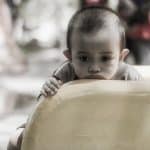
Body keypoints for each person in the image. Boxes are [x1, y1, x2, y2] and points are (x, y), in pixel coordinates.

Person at [7, 6, 141, 150]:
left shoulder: (127, 75)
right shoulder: (67, 72)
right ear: (69, 57)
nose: (94, 67)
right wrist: (48, 89)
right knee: (16, 139)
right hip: (69, 130)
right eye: (84, 58)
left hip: (114, 131)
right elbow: (44, 108)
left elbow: (142, 103)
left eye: (105, 58)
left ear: (121, 57)